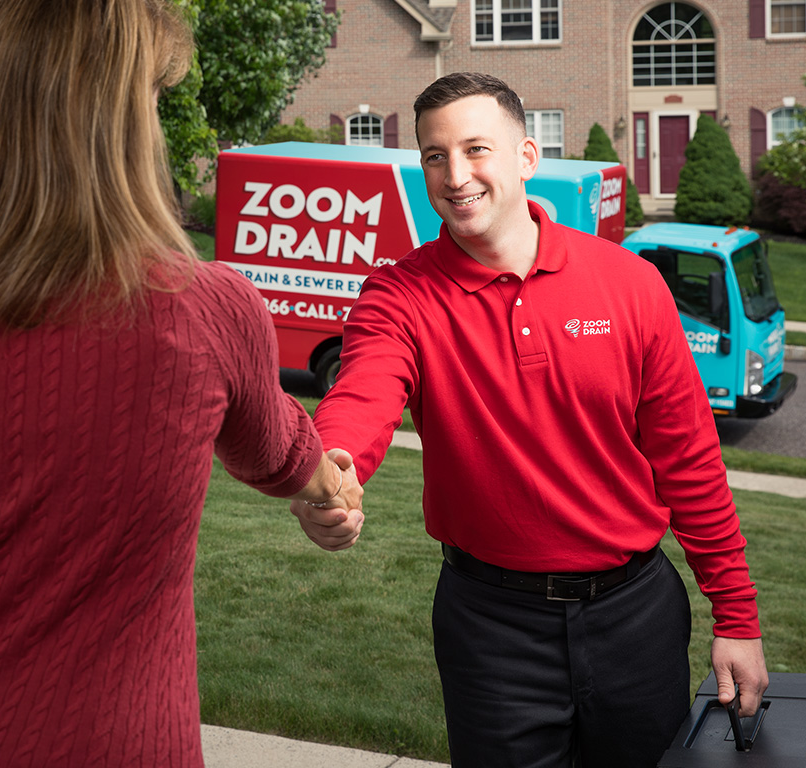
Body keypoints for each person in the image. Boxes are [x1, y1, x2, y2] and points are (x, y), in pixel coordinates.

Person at [0, 1, 362, 766]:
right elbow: (277, 450)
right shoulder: (206, 309)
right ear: (118, 125)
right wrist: (327, 490)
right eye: (151, 99)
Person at [290, 72, 768, 767]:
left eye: (477, 149)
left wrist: (737, 616)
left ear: (526, 157)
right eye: (434, 155)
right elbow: (362, 395)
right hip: (490, 628)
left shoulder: (630, 285)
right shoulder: (400, 295)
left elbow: (689, 461)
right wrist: (333, 467)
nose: (456, 175)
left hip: (636, 617)